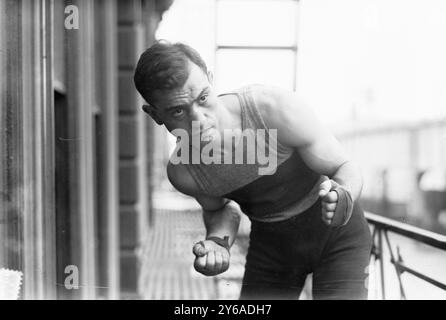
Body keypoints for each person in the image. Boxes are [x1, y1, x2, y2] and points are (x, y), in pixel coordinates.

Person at [133, 40, 373, 300]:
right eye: (178, 111)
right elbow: (220, 209)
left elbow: (344, 166)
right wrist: (217, 243)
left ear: (211, 81)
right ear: (155, 115)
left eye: (203, 98)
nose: (199, 119)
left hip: (337, 237)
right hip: (272, 249)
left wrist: (344, 194)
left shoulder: (273, 110)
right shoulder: (185, 172)